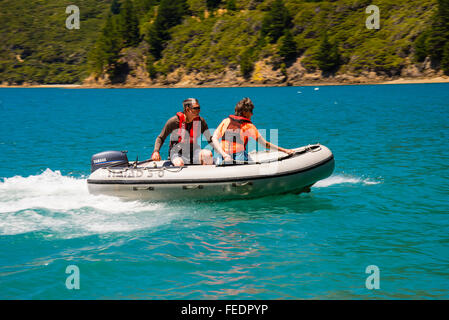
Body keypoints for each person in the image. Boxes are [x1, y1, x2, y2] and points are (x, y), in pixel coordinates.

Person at [212, 97, 294, 164]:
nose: (252, 114)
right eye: (251, 111)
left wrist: (224, 154)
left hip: (222, 158)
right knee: (249, 159)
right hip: (238, 159)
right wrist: (285, 150)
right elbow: (265, 144)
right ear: (245, 112)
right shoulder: (248, 126)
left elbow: (214, 138)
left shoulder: (225, 121)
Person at [151, 98, 214, 166]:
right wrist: (156, 151)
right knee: (179, 163)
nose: (199, 110)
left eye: (199, 108)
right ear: (187, 109)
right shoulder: (174, 122)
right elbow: (161, 138)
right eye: (196, 108)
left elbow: (210, 139)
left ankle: (204, 175)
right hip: (177, 153)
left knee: (208, 155)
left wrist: (222, 151)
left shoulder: (201, 122)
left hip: (194, 152)